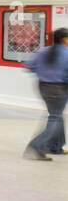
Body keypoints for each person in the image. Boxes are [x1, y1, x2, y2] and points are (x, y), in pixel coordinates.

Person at [23, 27, 68, 161]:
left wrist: (45, 73)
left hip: (43, 86)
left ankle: (56, 147)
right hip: (59, 88)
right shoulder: (66, 53)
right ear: (64, 39)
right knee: (55, 116)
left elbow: (29, 66)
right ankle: (36, 146)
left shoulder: (42, 51)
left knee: (57, 115)